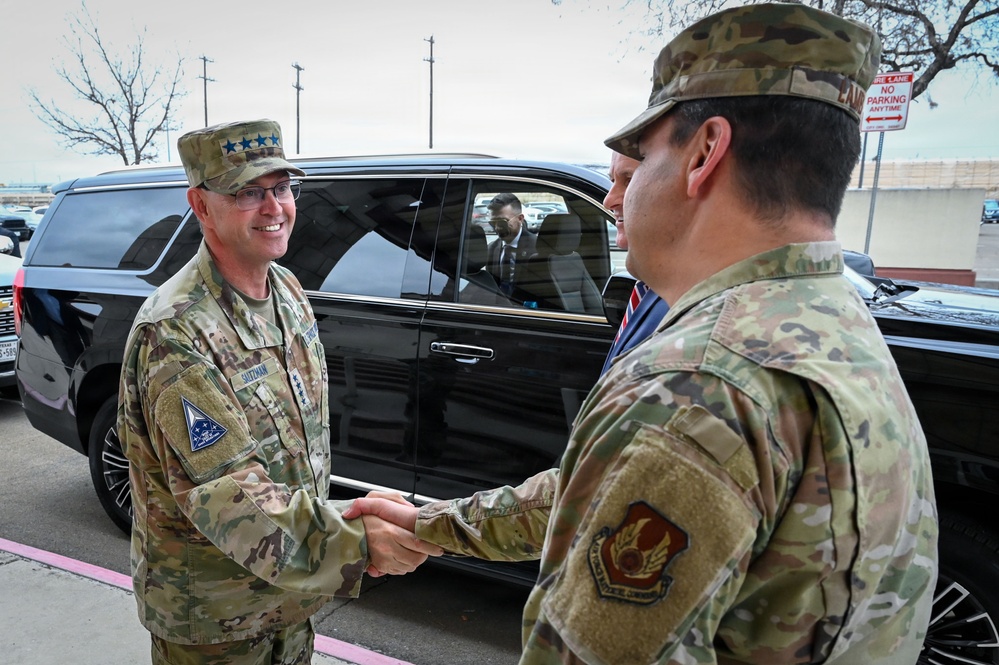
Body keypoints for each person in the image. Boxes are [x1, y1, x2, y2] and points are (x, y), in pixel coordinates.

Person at [344, 4, 939, 663]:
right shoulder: (828, 316)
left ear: (704, 152)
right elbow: (597, 491)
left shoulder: (695, 384)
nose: (609, 198)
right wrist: (435, 524)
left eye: (642, 154)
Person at [118, 118, 441, 665]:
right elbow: (229, 497)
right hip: (217, 619)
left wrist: (353, 509)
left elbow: (299, 447)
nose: (274, 207)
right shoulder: (177, 332)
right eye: (248, 192)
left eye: (282, 188)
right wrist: (355, 540)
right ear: (201, 205)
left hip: (289, 597)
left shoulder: (286, 289)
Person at [600, 151, 670, 375]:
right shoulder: (652, 284)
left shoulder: (690, 302)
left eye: (629, 180)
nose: (608, 200)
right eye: (613, 181)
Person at [485, 192, 538, 296]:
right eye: (492, 223)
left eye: (502, 222)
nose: (497, 228)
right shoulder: (491, 249)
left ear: (520, 219)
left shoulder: (538, 248)